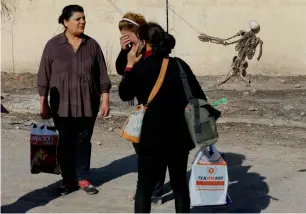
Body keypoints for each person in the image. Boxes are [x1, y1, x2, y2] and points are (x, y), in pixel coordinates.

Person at [118, 22, 208, 213]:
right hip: (180, 137)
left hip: (150, 138)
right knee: (179, 185)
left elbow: (125, 93)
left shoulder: (140, 66)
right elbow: (200, 97)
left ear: (143, 42)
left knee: (144, 187)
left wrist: (129, 65)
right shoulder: (180, 65)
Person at [37, 5, 111, 196]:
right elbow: (43, 76)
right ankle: (68, 180)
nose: (82, 22)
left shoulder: (92, 45)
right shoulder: (53, 45)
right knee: (65, 143)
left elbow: (102, 75)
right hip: (62, 105)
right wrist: (43, 102)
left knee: (84, 141)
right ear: (65, 22)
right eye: (78, 19)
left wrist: (105, 99)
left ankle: (84, 178)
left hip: (88, 103)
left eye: (84, 18)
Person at [116, 13, 167, 203]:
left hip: (155, 108)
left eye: (128, 35)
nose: (125, 39)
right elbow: (122, 69)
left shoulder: (151, 52)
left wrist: (131, 66)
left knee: (151, 152)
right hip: (144, 108)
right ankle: (153, 189)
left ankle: (152, 191)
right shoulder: (134, 50)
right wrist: (124, 53)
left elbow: (126, 90)